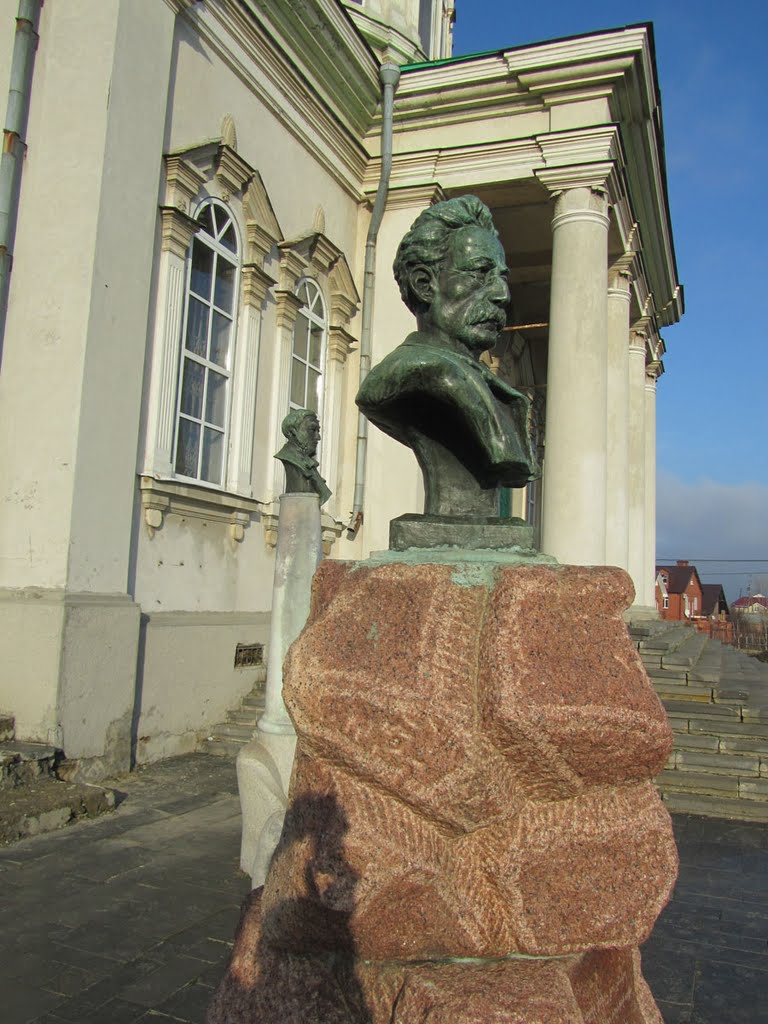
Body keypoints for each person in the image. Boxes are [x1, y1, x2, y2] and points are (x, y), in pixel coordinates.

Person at [356, 195, 537, 518]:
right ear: (425, 285)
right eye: (480, 273)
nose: (502, 294)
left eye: (501, 277)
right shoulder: (413, 375)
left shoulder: (486, 384)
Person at [274, 409, 332, 505]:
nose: (318, 437)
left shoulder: (309, 463)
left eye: (318, 430)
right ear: (293, 432)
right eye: (312, 430)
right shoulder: (291, 460)